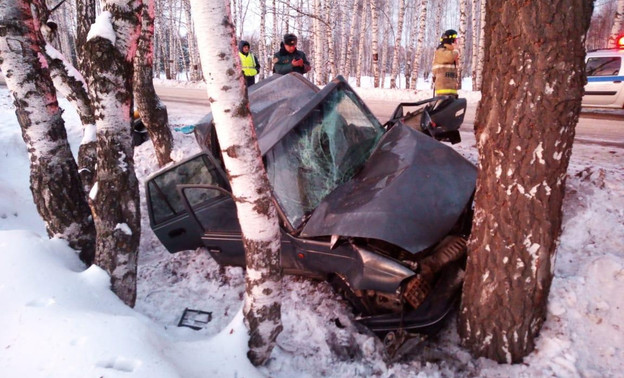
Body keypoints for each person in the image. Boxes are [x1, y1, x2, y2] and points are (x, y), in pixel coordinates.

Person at [432, 29, 460, 97]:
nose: (457, 42)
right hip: (443, 92)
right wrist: (456, 50)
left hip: (451, 91)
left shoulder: (450, 52)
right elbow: (449, 57)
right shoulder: (440, 51)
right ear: (451, 41)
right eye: (455, 40)